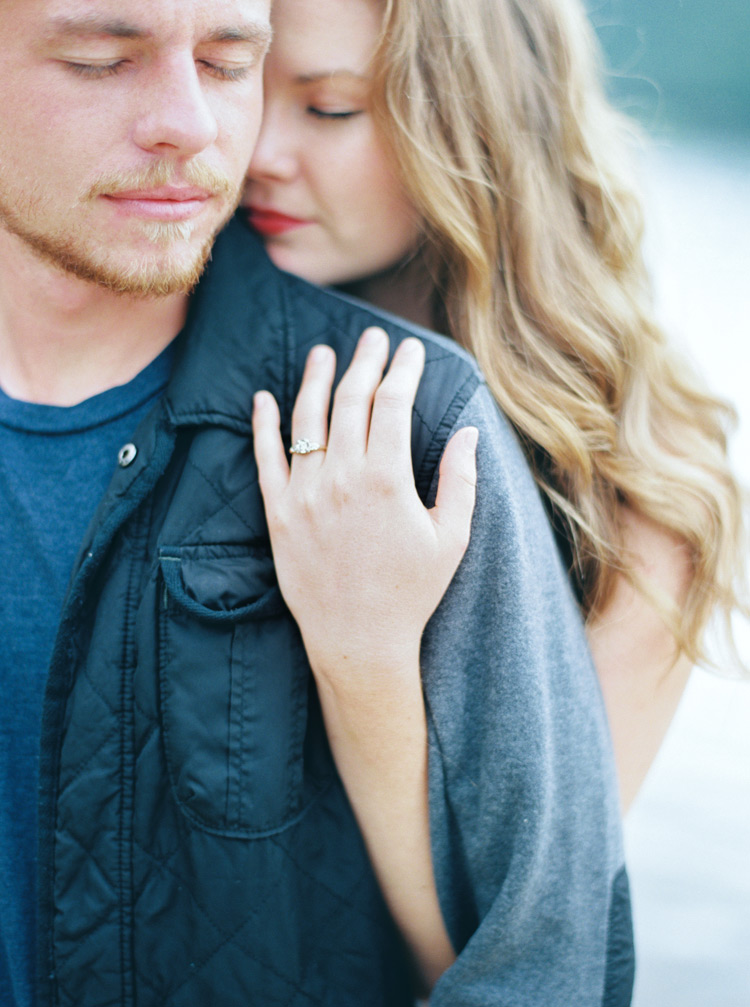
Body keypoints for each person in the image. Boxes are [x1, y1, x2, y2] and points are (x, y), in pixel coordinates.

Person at [0, 1, 633, 1005]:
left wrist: (366, 657)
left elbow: (538, 954)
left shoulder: (452, 432)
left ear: (463, 146)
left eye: (227, 63)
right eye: (96, 61)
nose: (213, 135)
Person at [243, 0, 749, 989]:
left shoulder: (641, 498)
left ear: (470, 124)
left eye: (330, 108)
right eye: (241, 82)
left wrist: (367, 658)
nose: (257, 148)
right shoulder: (192, 347)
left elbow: (506, 946)